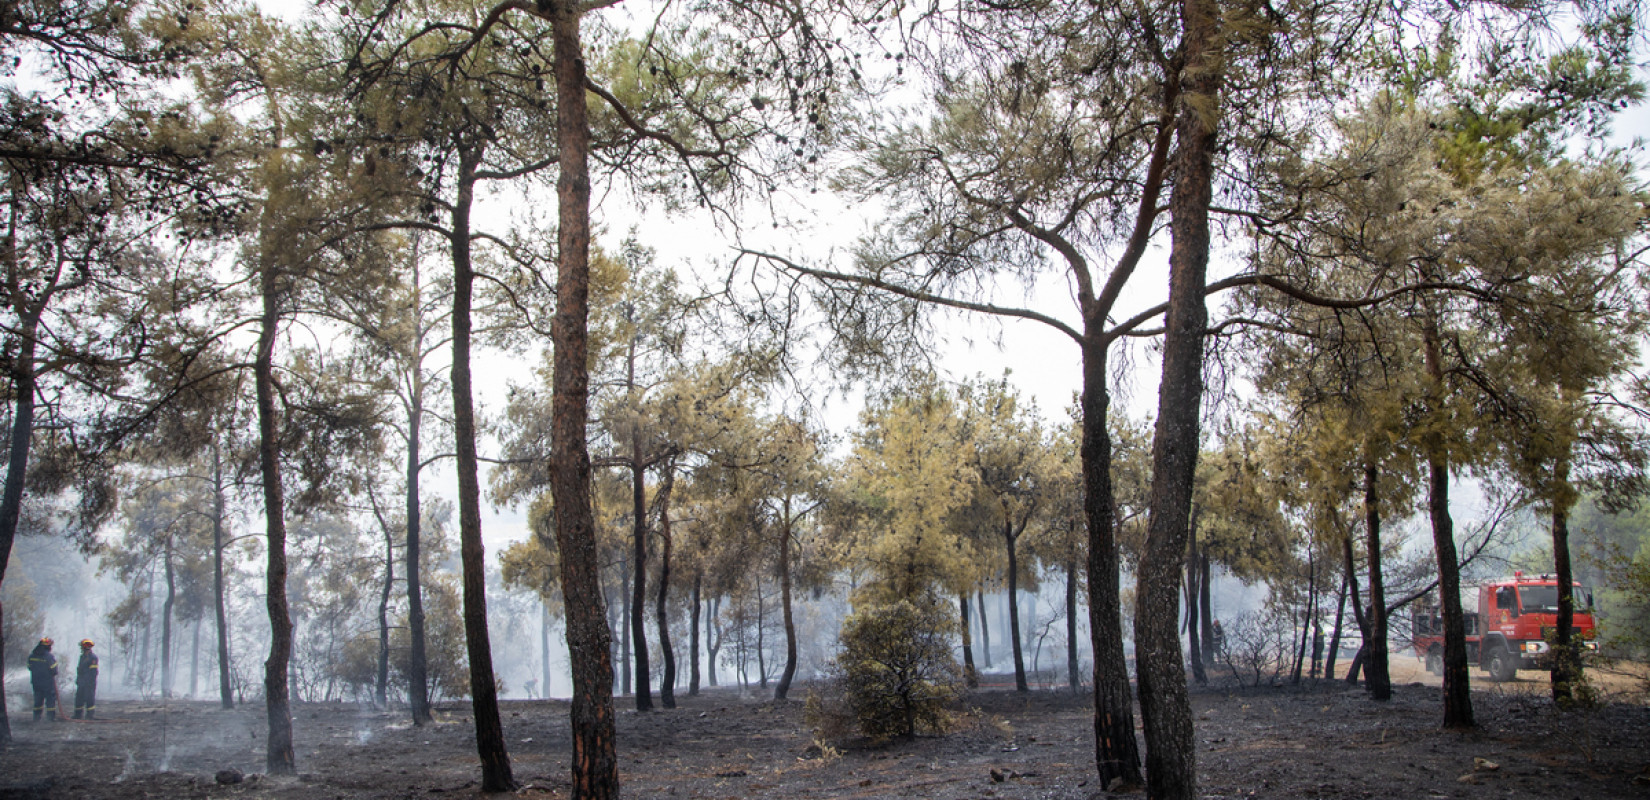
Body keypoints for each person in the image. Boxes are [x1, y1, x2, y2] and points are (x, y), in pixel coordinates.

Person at [27, 637, 59, 722]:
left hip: (36, 682)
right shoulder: (49, 656)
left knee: (38, 700)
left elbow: (29, 667)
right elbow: (54, 670)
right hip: (47, 683)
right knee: (50, 700)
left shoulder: (32, 655)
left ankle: (36, 717)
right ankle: (50, 718)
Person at [74, 639, 99, 719]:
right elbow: (79, 670)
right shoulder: (82, 657)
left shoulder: (93, 658)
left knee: (89, 699)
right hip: (81, 682)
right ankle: (78, 715)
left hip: (89, 683)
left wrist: (89, 682)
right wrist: (78, 680)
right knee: (79, 698)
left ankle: (90, 715)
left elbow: (93, 672)